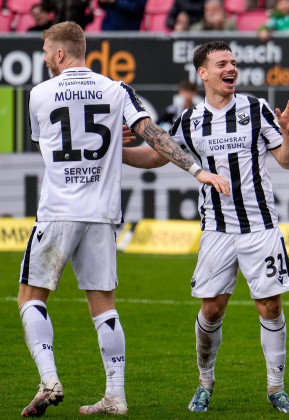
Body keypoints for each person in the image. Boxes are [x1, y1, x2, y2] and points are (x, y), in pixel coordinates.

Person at [18, 22, 229, 417]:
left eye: (47, 50)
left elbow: (47, 142)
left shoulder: (39, 95)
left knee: (30, 297)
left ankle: (49, 379)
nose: (46, 57)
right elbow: (152, 133)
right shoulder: (117, 90)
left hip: (59, 209)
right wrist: (196, 170)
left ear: (61, 54)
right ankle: (115, 394)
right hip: (102, 213)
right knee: (103, 304)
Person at [122, 41, 289, 414]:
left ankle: (276, 388)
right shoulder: (190, 119)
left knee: (270, 306)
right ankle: (205, 382)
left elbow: (287, 163)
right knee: (212, 310)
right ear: (203, 73)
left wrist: (288, 133)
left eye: (234, 63)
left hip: (261, 226)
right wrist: (118, 153)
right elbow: (159, 155)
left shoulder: (255, 109)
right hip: (217, 230)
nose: (231, 68)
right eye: (222, 63)